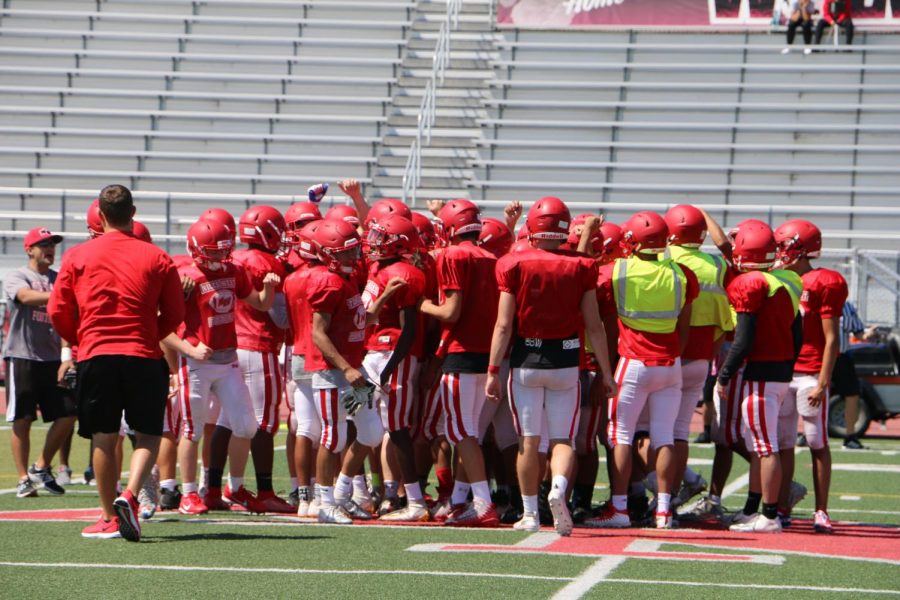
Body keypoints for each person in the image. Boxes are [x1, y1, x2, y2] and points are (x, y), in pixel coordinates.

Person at [48, 184, 185, 541]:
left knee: (103, 436)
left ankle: (109, 515)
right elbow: (175, 312)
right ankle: (131, 493)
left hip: (96, 354)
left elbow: (58, 310)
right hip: (142, 354)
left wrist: (80, 339)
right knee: (148, 434)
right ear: (133, 212)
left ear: (100, 215)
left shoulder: (77, 255)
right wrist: (151, 332)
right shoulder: (157, 257)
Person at [486, 197, 616, 535]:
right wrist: (605, 370)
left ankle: (530, 513)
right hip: (566, 360)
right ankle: (558, 487)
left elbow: (503, 325)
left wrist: (491, 369)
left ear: (532, 226)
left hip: (526, 360)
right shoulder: (582, 266)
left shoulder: (513, 263)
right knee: (563, 439)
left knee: (529, 441)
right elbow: (594, 325)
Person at [587, 211, 698, 530]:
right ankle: (663, 509)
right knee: (665, 436)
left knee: (620, 435)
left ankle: (619, 507)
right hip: (671, 364)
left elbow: (585, 280)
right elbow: (684, 328)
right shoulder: (682, 273)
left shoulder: (617, 270)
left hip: (634, 362)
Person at [419, 199, 500, 527]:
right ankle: (460, 501)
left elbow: (451, 311)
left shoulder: (455, 254)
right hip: (486, 353)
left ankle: (482, 504)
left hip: (461, 352)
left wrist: (424, 306)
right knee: (470, 434)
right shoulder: (492, 256)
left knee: (461, 432)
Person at [719, 220, 803, 534]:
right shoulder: (786, 282)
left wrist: (725, 375)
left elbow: (743, 339)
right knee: (760, 446)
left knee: (765, 447)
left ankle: (769, 515)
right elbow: (797, 334)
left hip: (762, 375)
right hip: (781, 372)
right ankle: (754, 509)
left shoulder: (751, 284)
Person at [775, 219, 845, 533]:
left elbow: (832, 338)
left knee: (816, 442)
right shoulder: (781, 278)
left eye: (784, 245)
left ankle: (821, 510)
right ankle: (782, 504)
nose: (779, 252)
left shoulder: (823, 282)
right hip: (783, 372)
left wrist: (823, 380)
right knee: (784, 443)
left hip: (810, 372)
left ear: (802, 249)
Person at [4, 227, 76, 499]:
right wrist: (62, 295)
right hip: (22, 356)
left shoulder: (59, 279)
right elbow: (25, 297)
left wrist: (67, 355)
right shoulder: (18, 276)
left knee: (69, 413)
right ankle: (24, 478)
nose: (49, 248)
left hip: (53, 358)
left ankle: (41, 466)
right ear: (29, 249)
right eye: (42, 243)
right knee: (22, 419)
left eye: (52, 244)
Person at [838, 301, 865, 449]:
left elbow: (859, 333)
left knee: (852, 394)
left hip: (841, 356)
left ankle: (850, 436)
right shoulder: (815, 301)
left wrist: (870, 334)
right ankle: (805, 434)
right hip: (818, 356)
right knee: (811, 393)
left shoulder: (847, 306)